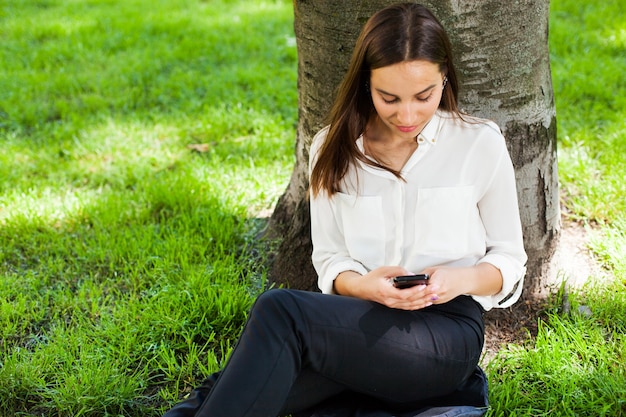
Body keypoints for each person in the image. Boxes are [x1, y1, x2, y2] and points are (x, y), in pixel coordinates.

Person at [162, 3, 526, 417]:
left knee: (279, 314)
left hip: (445, 333)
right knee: (255, 374)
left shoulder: (479, 143)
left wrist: (457, 279)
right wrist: (366, 286)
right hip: (363, 320)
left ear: (445, 78)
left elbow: (509, 259)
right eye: (389, 97)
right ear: (365, 85)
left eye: (424, 96)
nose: (407, 115)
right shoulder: (332, 150)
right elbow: (332, 259)